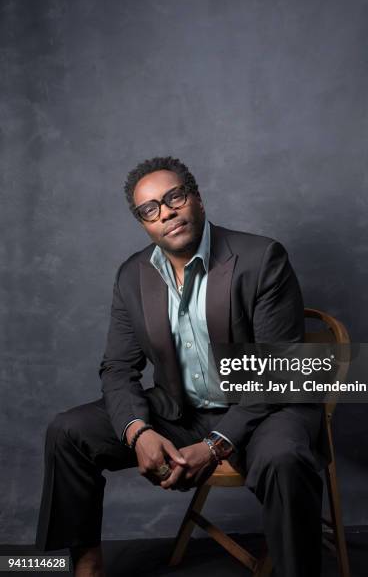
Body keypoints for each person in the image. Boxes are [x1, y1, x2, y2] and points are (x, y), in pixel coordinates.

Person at [35, 156, 328, 577]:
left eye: (174, 197)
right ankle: (85, 565)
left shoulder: (262, 258)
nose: (166, 212)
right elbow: (118, 368)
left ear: (197, 198)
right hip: (182, 411)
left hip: (266, 411)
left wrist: (215, 445)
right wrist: (138, 433)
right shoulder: (132, 276)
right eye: (149, 209)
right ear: (143, 223)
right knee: (67, 431)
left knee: (285, 458)